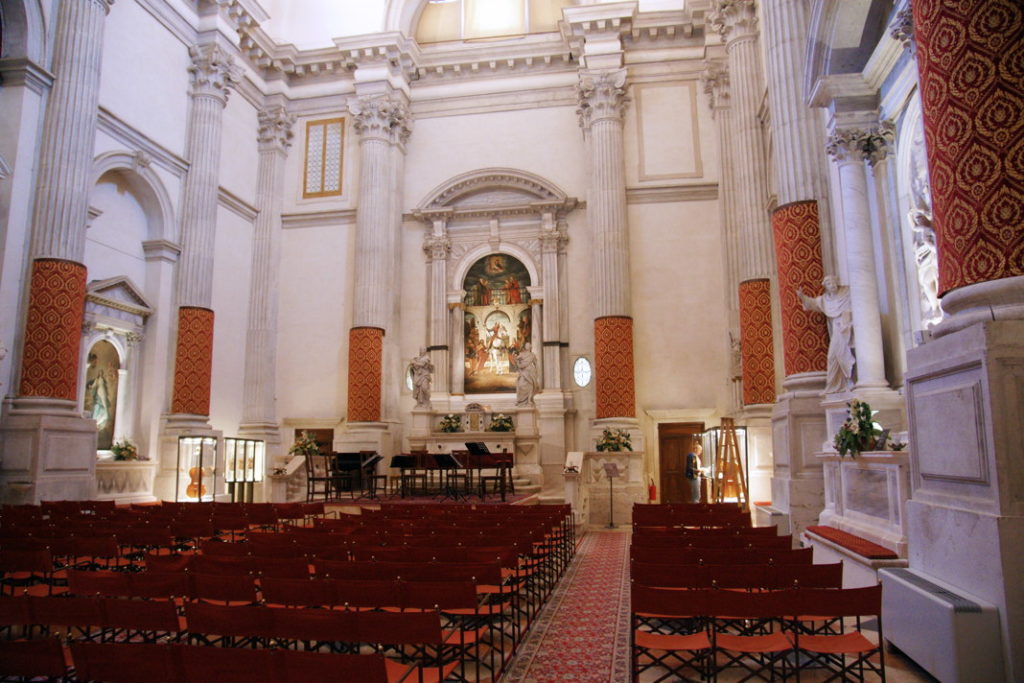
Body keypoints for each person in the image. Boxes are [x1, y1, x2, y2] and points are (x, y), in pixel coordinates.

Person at [798, 275, 855, 394]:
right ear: (826, 286)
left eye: (833, 282)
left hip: (846, 328)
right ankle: (836, 385)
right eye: (829, 284)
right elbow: (813, 303)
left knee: (844, 355)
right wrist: (802, 297)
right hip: (837, 330)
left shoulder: (846, 294)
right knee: (832, 357)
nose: (832, 285)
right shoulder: (825, 300)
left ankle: (849, 381)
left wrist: (846, 322)